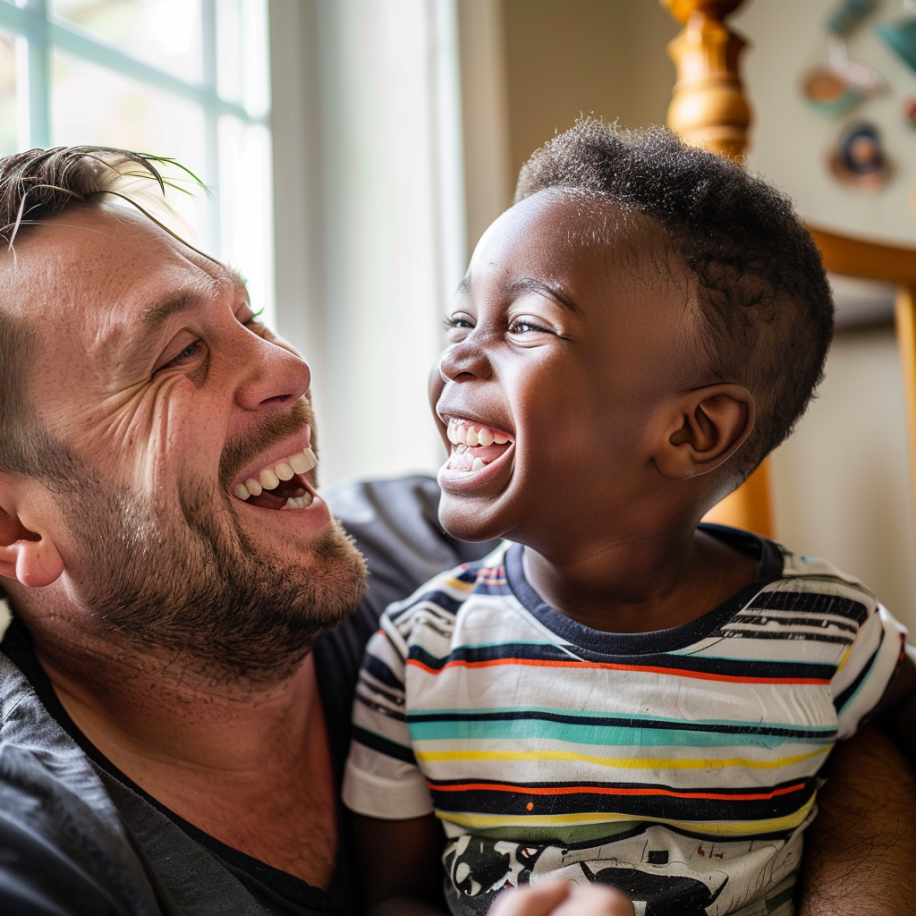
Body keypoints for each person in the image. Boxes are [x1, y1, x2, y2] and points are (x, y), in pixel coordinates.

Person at [0, 145, 911, 916]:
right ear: (16, 525)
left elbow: (844, 712)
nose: (288, 365)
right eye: (177, 356)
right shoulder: (37, 848)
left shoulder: (468, 538)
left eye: (250, 316)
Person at [342, 121, 916, 916]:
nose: (457, 358)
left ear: (692, 431)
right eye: (461, 320)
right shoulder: (417, 654)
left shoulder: (835, 636)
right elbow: (395, 897)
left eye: (525, 326)